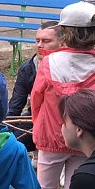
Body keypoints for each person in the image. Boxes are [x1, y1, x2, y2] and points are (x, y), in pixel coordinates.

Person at [31, 2, 95, 189]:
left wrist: (39, 126)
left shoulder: (48, 63)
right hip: (85, 139)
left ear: (66, 33)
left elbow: (36, 98)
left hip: (51, 136)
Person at [6, 22, 63, 152]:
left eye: (46, 41)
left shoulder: (68, 67)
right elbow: (15, 106)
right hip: (35, 119)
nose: (39, 45)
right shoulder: (27, 69)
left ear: (62, 43)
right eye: (37, 40)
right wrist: (2, 134)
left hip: (64, 124)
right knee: (12, 142)